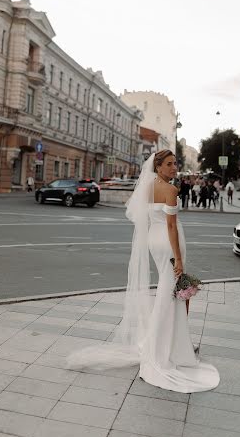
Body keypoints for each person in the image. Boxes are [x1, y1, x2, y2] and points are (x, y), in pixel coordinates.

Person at [67, 150, 219, 393]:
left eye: (175, 164)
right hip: (169, 244)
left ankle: (172, 344)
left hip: (153, 241)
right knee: (169, 292)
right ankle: (161, 350)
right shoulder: (170, 190)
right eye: (169, 164)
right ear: (158, 166)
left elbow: (145, 220)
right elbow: (171, 225)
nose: (174, 168)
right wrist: (178, 257)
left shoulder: (147, 188)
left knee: (167, 289)